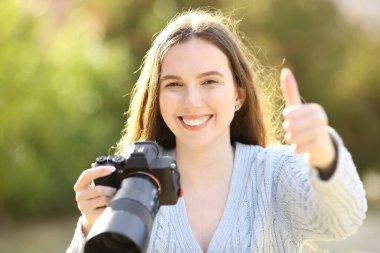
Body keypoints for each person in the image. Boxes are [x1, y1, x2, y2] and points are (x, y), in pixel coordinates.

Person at [67, 8, 367, 253]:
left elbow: (344, 220)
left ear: (239, 94)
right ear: (156, 99)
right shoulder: (132, 188)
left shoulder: (277, 173)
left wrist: (325, 152)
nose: (192, 101)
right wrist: (91, 229)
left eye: (210, 81)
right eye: (174, 85)